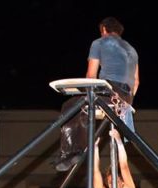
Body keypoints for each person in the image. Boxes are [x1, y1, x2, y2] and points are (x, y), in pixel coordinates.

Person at [56, 16, 139, 171]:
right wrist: (126, 104)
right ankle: (78, 148)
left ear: (104, 30)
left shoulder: (99, 43)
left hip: (108, 93)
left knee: (70, 106)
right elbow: (136, 81)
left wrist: (85, 93)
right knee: (84, 107)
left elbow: (91, 75)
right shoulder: (131, 50)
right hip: (125, 98)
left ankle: (70, 151)